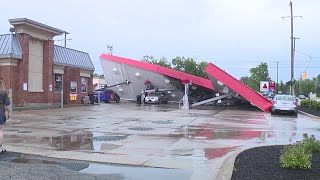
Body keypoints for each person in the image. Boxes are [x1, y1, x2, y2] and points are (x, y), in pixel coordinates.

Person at [0, 79, 10, 153]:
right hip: (1, 113)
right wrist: (9, 113)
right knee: (0, 131)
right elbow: (7, 105)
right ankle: (0, 148)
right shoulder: (4, 92)